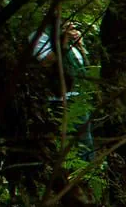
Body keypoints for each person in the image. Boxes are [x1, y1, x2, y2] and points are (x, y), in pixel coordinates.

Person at [33, 20, 93, 158]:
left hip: (78, 98)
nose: (72, 30)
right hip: (58, 100)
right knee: (63, 142)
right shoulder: (43, 36)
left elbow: (85, 69)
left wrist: (80, 45)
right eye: (68, 28)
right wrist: (63, 41)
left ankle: (85, 173)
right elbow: (45, 62)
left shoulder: (73, 46)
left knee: (84, 142)